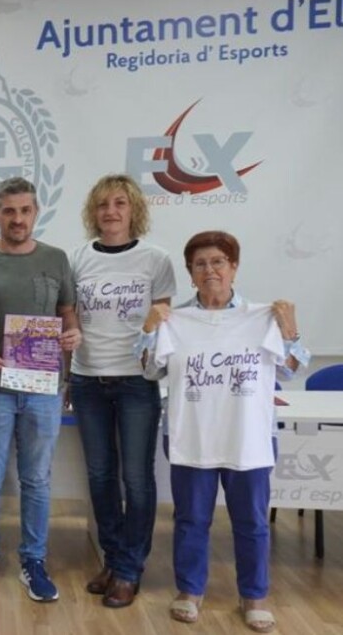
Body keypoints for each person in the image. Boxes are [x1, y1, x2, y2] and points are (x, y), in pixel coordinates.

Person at [141, 230, 309, 633]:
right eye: (200, 264)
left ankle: (254, 596)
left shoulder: (262, 316)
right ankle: (190, 591)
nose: (210, 270)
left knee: (251, 522)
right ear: (190, 274)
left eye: (218, 261)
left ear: (233, 267)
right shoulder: (175, 319)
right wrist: (148, 330)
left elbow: (290, 369)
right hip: (192, 436)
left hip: (248, 439)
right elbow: (150, 370)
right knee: (191, 519)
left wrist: (290, 331)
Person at [0, 177, 81, 603]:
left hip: (42, 388)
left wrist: (73, 339)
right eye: (8, 211)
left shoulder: (56, 258)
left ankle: (33, 560)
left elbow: (68, 316)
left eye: (25, 210)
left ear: (35, 212)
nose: (17, 218)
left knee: (36, 480)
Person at [68, 174, 176, 607]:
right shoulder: (76, 259)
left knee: (137, 478)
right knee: (100, 476)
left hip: (137, 382)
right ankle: (113, 559)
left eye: (119, 204)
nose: (110, 212)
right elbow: (69, 321)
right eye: (102, 205)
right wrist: (62, 376)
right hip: (88, 379)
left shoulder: (156, 260)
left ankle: (130, 568)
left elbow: (163, 324)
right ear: (93, 213)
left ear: (134, 210)